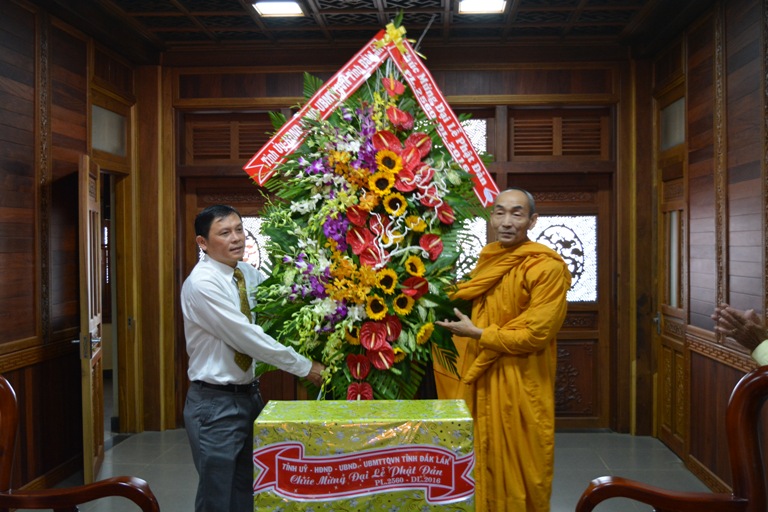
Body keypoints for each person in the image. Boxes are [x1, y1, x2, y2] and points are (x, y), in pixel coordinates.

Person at [181, 204, 325, 512]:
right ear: (202, 242)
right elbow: (247, 337)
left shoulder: (245, 273)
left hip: (249, 397)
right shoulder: (203, 283)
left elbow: (279, 307)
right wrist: (305, 367)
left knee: (249, 487)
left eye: (239, 230)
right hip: (215, 404)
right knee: (218, 496)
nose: (236, 238)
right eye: (224, 233)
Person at [435, 188, 571, 512]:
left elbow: (536, 333)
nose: (507, 222)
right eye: (500, 212)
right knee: (481, 456)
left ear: (532, 220)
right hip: (483, 377)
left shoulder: (546, 268)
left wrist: (478, 333)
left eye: (517, 213)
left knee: (523, 466)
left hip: (522, 379)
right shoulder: (490, 258)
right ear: (492, 217)